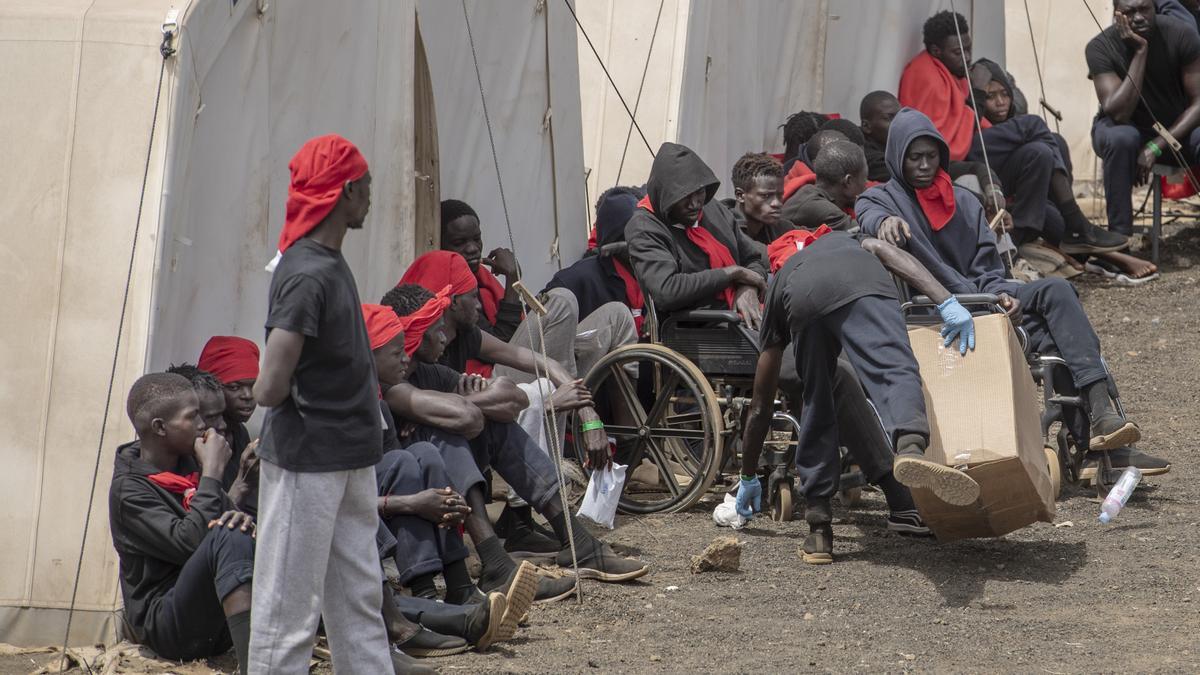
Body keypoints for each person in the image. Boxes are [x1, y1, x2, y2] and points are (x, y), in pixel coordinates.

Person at [856, 107, 1171, 478]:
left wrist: (1004, 296)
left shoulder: (964, 202)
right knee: (1056, 338)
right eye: (914, 157)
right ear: (897, 158)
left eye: (932, 156)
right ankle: (1094, 441)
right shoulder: (881, 201)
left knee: (1057, 293)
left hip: (986, 305)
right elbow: (868, 219)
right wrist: (886, 223)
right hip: (938, 317)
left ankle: (1101, 418)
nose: (925, 165)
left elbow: (988, 271)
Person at [736, 228, 981, 563]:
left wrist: (747, 475)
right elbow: (890, 252)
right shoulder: (850, 241)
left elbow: (761, 404)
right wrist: (946, 301)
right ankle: (910, 446)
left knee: (817, 400)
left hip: (802, 296)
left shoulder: (781, 278)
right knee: (892, 367)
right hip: (863, 278)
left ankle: (819, 530)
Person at [248, 134, 397, 674]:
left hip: (346, 456)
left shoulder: (324, 262)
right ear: (346, 191)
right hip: (309, 460)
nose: (372, 196)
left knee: (357, 601)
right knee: (286, 612)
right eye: (368, 185)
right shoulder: (309, 271)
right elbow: (268, 385)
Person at [394, 251, 625, 554]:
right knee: (459, 430)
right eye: (472, 297)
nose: (478, 304)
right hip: (418, 469)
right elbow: (469, 417)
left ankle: (561, 535)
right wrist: (462, 401)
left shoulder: (448, 353)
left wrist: (586, 411)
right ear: (448, 303)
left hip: (478, 408)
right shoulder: (396, 378)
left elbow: (531, 374)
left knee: (525, 399)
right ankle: (493, 556)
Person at [361, 302, 533, 655]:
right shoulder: (344, 407)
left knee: (422, 455)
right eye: (397, 353)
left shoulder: (376, 399)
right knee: (405, 463)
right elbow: (337, 496)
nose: (405, 360)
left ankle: (458, 584)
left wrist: (433, 502)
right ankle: (426, 595)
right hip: (359, 522)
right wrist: (413, 503)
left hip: (379, 508)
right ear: (368, 354)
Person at [109, 373, 255, 672]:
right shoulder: (129, 490)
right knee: (227, 534)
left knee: (241, 528)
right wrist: (213, 472)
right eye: (193, 417)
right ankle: (259, 668)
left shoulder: (190, 464)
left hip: (213, 623)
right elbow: (189, 543)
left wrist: (241, 517)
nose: (204, 425)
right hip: (167, 627)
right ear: (160, 427)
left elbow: (224, 521)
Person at [973, 58, 1155, 280]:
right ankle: (1086, 230)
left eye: (1004, 94)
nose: (1000, 102)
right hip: (1003, 201)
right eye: (990, 96)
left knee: (1053, 143)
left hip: (1026, 203)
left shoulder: (1006, 126)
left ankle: (1093, 242)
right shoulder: (976, 127)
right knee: (1038, 133)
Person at [626, 142, 768, 329]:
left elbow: (753, 258)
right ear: (665, 195)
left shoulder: (713, 209)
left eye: (699, 192)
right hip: (696, 328)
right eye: (684, 197)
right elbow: (667, 291)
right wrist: (732, 273)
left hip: (738, 314)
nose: (694, 204)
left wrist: (747, 287)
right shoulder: (645, 227)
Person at [1087, 0, 1200, 236]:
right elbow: (1119, 112)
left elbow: (1198, 102)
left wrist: (1156, 146)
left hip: (1174, 132)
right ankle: (1120, 238)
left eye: (1144, 9)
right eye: (1129, 12)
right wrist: (1140, 52)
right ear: (1117, 14)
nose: (1138, 17)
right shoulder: (1100, 46)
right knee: (1121, 137)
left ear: (1154, 7)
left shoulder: (1181, 34)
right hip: (1126, 131)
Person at [544, 186, 648, 334]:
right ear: (615, 240)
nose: (646, 243)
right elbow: (537, 332)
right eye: (637, 235)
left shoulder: (652, 281)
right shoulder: (575, 281)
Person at [165, 363, 256, 511]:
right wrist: (242, 483)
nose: (223, 425)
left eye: (222, 414)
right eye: (212, 417)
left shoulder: (230, 438)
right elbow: (209, 529)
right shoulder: (173, 468)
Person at [782, 140, 866, 232]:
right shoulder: (816, 206)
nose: (866, 185)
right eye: (864, 178)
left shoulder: (816, 193)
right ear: (848, 181)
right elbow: (865, 227)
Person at [198, 336, 260, 458]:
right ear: (212, 387)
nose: (248, 396)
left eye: (254, 386)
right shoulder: (199, 439)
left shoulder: (239, 433)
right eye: (234, 387)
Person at [730, 153, 793, 252]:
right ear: (740, 195)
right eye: (766, 196)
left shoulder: (779, 227)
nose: (776, 203)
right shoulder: (724, 232)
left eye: (780, 195)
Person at [861, 90, 902, 183]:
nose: (899, 123)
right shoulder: (864, 154)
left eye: (900, 117)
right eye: (889, 118)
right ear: (866, 126)